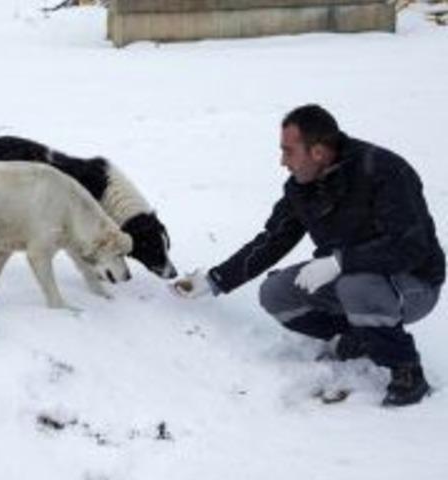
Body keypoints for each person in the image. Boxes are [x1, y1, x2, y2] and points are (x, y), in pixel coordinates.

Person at [172, 104, 444, 407]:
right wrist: (216, 280)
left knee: (356, 285)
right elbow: (273, 239)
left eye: (288, 152)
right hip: (351, 280)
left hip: (415, 284)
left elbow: (410, 247)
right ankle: (360, 338)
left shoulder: (385, 171)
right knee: (276, 293)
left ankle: (407, 371)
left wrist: (341, 262)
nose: (282, 162)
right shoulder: (302, 187)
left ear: (317, 152)